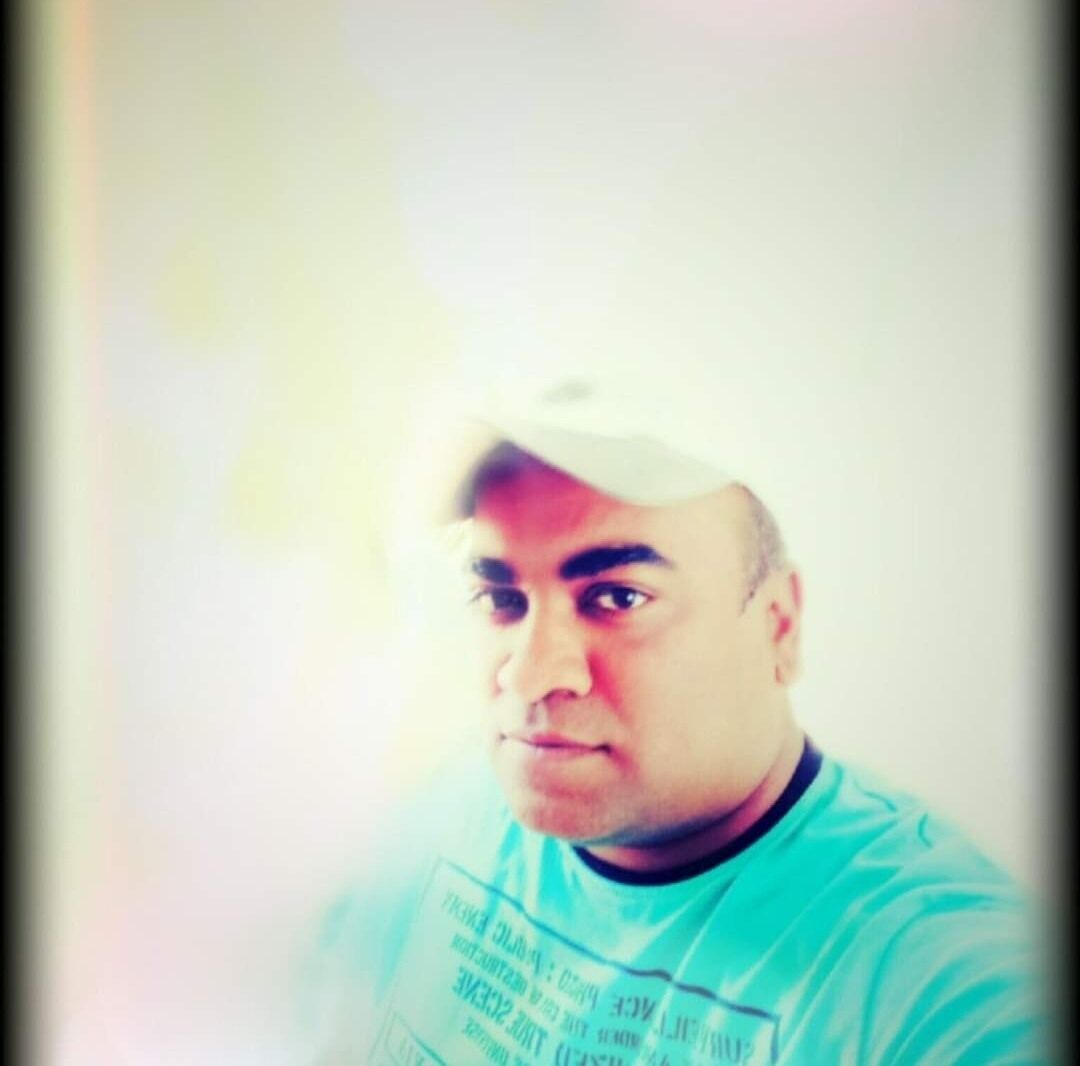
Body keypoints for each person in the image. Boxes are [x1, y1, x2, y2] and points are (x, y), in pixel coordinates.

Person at [298, 382, 1048, 1065]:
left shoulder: (931, 973)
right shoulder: (453, 806)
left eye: (618, 597)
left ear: (778, 625)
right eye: (501, 599)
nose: (527, 675)